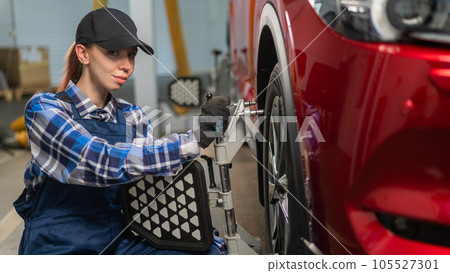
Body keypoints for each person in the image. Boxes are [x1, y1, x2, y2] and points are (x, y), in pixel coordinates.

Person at [13, 7, 229, 255]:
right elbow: (96, 159)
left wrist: (213, 129)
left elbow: (151, 183)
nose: (126, 65)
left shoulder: (132, 116)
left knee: (210, 254)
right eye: (113, 53)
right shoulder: (45, 109)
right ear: (83, 54)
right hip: (56, 245)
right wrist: (192, 142)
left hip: (118, 242)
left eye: (131, 55)